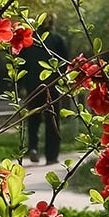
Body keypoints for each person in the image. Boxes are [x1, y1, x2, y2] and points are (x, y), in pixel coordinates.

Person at [20, 16, 69, 165]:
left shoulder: (29, 40)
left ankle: (33, 147)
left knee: (33, 119)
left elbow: (21, 64)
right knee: (52, 120)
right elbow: (64, 61)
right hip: (52, 86)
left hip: (32, 87)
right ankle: (51, 156)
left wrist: (23, 85)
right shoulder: (57, 39)